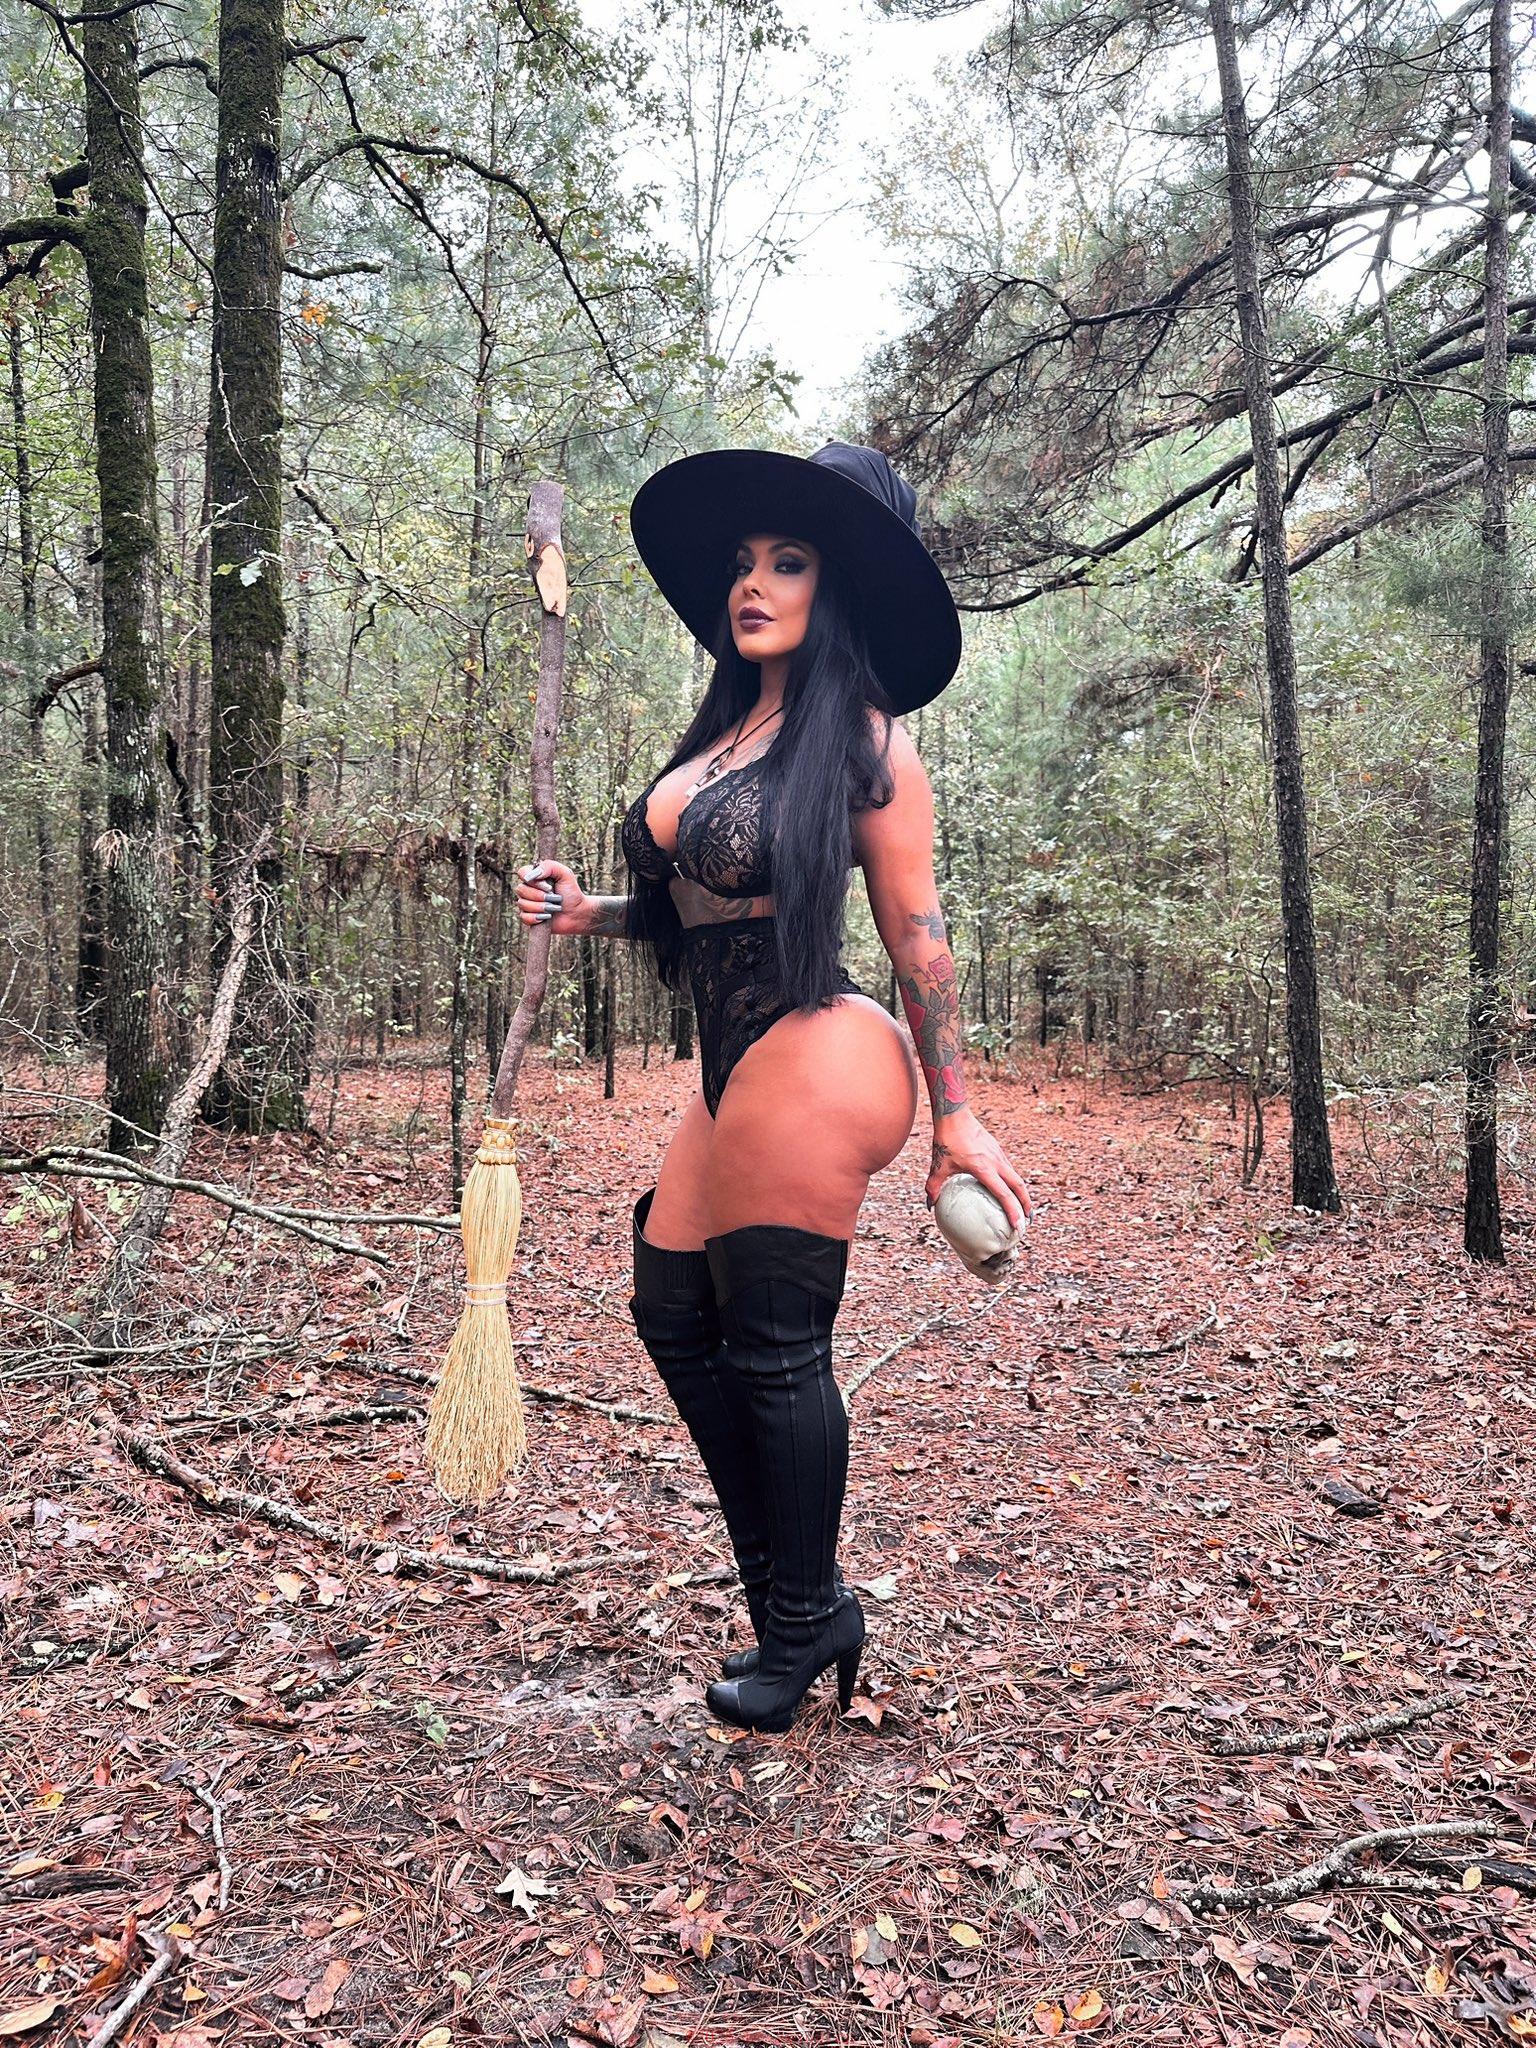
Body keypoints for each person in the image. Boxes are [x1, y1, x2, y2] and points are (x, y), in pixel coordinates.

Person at [515, 441, 1031, 1735]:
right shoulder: (727, 731)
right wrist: (590, 913)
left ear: (834, 585)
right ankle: (803, 1602)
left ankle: (797, 1625)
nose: (752, 582)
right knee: (671, 1312)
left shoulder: (864, 748)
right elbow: (698, 903)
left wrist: (958, 1114)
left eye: (787, 561)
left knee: (775, 1347)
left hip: (824, 1042)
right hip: (732, 1054)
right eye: (743, 562)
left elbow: (919, 936)